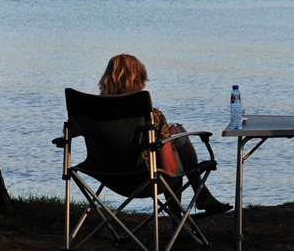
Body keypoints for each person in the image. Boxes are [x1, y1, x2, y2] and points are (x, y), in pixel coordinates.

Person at [99, 54, 232, 218]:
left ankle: (202, 197)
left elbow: (73, 132)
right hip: (143, 179)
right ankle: (185, 213)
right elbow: (169, 169)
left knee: (175, 131)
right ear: (138, 79)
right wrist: (168, 139)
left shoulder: (92, 111)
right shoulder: (151, 116)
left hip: (107, 177)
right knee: (175, 151)